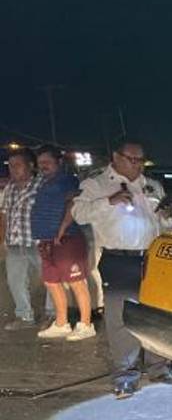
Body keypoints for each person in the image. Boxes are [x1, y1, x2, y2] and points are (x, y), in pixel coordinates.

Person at [71, 139, 172, 398]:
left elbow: (168, 224)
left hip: (153, 260)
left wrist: (169, 216)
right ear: (116, 157)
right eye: (132, 159)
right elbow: (78, 212)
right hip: (119, 259)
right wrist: (109, 202)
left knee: (156, 316)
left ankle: (159, 367)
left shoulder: (151, 185)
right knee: (122, 320)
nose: (137, 165)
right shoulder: (96, 184)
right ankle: (125, 376)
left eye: (141, 160)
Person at [30, 145, 95, 341]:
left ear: (59, 162)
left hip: (67, 239)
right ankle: (61, 323)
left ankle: (85, 324)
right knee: (52, 281)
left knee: (76, 282)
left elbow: (72, 204)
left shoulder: (67, 180)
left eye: (47, 162)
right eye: (40, 163)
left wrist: (62, 229)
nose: (43, 166)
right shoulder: (44, 182)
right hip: (46, 240)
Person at [0, 148, 51, 329]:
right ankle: (24, 317)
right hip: (15, 243)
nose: (13, 169)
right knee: (15, 282)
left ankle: (52, 315)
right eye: (10, 166)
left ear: (30, 166)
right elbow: (4, 215)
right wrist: (3, 240)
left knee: (50, 280)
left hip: (38, 242)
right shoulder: (10, 189)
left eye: (17, 165)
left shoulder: (42, 185)